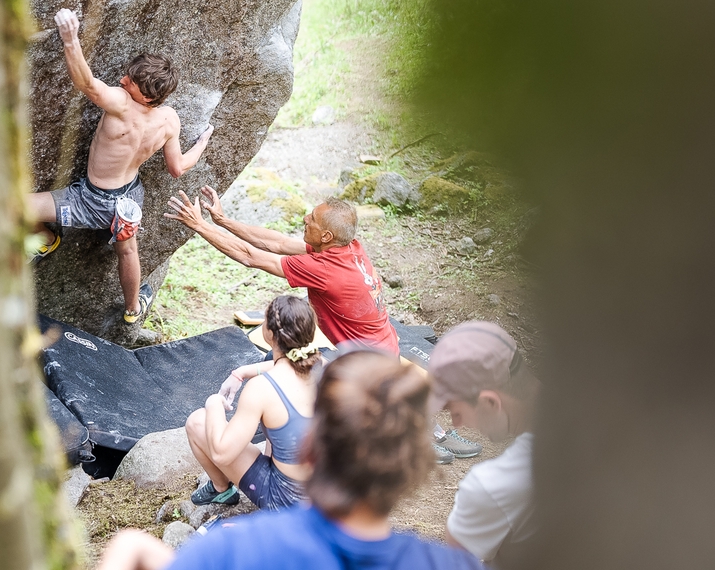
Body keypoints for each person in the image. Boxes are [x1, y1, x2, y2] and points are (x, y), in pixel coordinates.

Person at [95, 350, 485, 570]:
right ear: (414, 466)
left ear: (309, 444)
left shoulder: (238, 550)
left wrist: (132, 547)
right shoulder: (452, 565)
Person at [29, 8, 213, 324]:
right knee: (128, 252)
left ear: (146, 96)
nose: (122, 80)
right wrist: (202, 143)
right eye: (128, 75)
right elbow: (178, 167)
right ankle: (132, 310)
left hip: (91, 200)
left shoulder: (121, 104)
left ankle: (46, 238)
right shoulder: (169, 120)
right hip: (129, 200)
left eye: (130, 82)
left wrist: (70, 39)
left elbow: (87, 84)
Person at [164, 188, 398, 354]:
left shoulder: (325, 270)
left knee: (282, 367)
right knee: (277, 360)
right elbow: (279, 244)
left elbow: (249, 257)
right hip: (383, 351)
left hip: (370, 372)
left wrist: (199, 225)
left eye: (313, 218)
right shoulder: (348, 247)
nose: (306, 218)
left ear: (327, 236)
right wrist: (223, 221)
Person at [184, 294, 321, 509]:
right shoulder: (325, 366)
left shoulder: (262, 388)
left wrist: (213, 405)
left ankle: (221, 489)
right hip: (328, 493)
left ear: (269, 333)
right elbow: (288, 364)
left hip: (286, 501)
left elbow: (222, 453)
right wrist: (242, 372)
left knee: (197, 422)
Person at [428, 321, 538, 565]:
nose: (456, 425)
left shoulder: (493, 485)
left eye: (454, 412)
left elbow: (455, 563)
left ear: (490, 402)